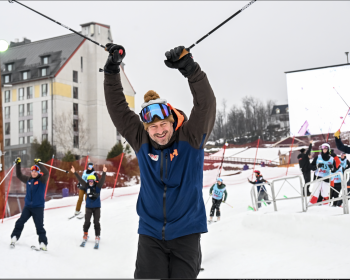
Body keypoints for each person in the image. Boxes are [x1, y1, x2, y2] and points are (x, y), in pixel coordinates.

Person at [103, 44, 215, 278]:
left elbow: (205, 105)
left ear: (173, 122)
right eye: (153, 126)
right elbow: (118, 108)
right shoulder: (140, 139)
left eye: (164, 124)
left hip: (186, 233)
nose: (159, 131)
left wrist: (190, 68)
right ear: (146, 128)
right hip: (151, 234)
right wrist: (112, 70)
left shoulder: (192, 137)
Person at [10, 158, 49, 251]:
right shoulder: (28, 180)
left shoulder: (42, 180)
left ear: (38, 172)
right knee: (20, 222)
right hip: (28, 207)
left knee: (39, 226)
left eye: (36, 172)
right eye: (32, 171)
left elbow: (46, 173)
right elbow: (19, 175)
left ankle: (43, 243)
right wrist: (18, 164)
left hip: (38, 207)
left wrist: (39, 163)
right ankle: (14, 237)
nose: (34, 173)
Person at [70, 164, 106, 246]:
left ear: (94, 181)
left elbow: (102, 180)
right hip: (89, 207)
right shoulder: (86, 186)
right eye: (89, 181)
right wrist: (75, 172)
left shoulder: (98, 186)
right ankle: (85, 234)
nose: (90, 182)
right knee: (87, 221)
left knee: (96, 222)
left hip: (97, 208)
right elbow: (80, 180)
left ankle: (97, 236)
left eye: (91, 181)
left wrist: (104, 172)